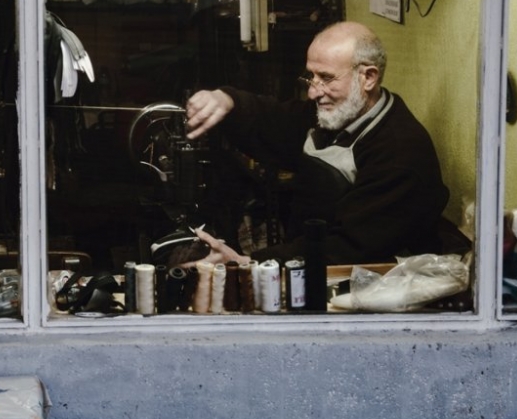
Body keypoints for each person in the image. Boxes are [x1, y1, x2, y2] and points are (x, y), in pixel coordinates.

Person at [182, 20, 465, 266]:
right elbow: (277, 120)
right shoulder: (338, 113)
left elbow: (347, 249)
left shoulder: (400, 154)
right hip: (310, 254)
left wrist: (252, 263)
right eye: (311, 76)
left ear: (368, 77)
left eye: (327, 79)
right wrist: (226, 100)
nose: (313, 92)